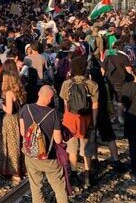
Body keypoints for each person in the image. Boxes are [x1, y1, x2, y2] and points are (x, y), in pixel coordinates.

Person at [19, 85, 68, 203]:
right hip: (48, 157)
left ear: (39, 94)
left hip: (31, 155)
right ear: (51, 98)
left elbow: (22, 132)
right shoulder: (53, 113)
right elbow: (58, 140)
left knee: (36, 187)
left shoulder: (26, 108)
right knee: (59, 187)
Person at [59, 56, 99, 187]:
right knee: (86, 148)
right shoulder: (92, 84)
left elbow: (65, 104)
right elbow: (94, 105)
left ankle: (74, 174)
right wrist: (94, 121)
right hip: (86, 119)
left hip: (70, 119)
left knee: (72, 149)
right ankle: (88, 176)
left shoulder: (66, 84)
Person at [0, 71, 26, 183]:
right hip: (19, 118)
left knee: (12, 145)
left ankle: (15, 172)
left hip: (10, 120)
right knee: (19, 143)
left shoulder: (9, 93)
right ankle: (22, 168)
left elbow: (9, 110)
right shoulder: (19, 91)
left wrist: (1, 104)